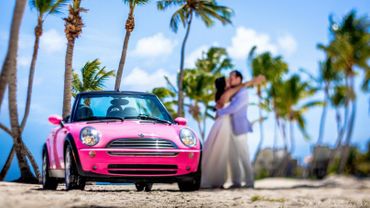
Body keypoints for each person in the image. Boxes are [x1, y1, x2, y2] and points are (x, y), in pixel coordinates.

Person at [201, 72, 264, 188]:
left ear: (240, 79)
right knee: (232, 156)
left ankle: (249, 181)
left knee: (243, 154)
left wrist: (219, 112)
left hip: (238, 127)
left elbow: (234, 108)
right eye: (229, 77)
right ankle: (236, 182)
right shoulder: (232, 91)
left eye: (233, 77)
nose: (230, 78)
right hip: (227, 128)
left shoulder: (243, 92)